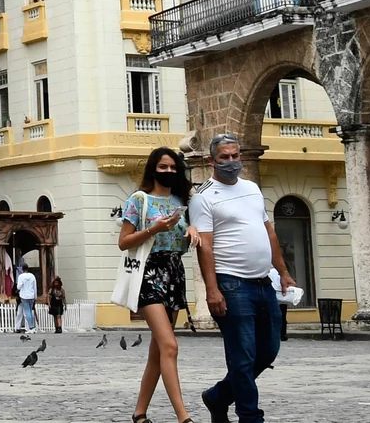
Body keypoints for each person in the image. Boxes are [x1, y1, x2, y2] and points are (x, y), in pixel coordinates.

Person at [192, 133, 294, 423]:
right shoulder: (204, 197)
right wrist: (212, 290)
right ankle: (250, 417)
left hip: (264, 283)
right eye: (225, 157)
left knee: (268, 352)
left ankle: (219, 396)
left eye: (235, 156)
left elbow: (269, 232)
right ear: (213, 160)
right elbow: (206, 246)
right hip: (232, 285)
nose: (231, 162)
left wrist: (284, 272)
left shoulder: (251, 188)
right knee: (243, 355)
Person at [120, 145, 195, 423]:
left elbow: (185, 240)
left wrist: (190, 231)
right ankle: (183, 417)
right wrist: (153, 229)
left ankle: (139, 414)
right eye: (163, 167)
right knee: (170, 346)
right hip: (148, 273)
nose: (169, 171)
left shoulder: (181, 201)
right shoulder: (139, 200)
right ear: (153, 169)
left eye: (173, 167)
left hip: (175, 272)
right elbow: (123, 242)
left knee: (158, 351)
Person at [15, 261, 38, 332]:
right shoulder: (32, 276)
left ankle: (30, 327)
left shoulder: (21, 276)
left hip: (24, 296)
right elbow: (35, 287)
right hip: (31, 295)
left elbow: (19, 287)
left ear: (22, 269)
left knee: (27, 311)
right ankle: (32, 326)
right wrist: (35, 296)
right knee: (30, 311)